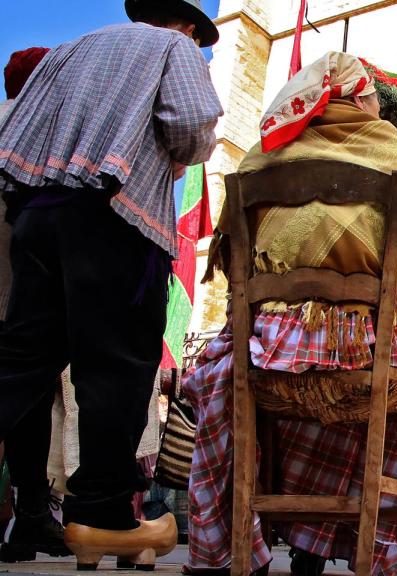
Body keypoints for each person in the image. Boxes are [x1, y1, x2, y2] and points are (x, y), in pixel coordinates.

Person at [185, 51, 397, 576]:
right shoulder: (394, 154)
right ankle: (339, 546)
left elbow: (236, 263)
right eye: (372, 95)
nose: (377, 104)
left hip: (269, 359)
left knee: (232, 375)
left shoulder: (265, 157)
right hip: (365, 356)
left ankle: (237, 546)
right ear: (358, 99)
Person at [0, 0, 221, 566]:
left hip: (38, 210)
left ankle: (83, 512)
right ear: (189, 26)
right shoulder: (175, 49)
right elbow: (193, 128)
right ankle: (101, 512)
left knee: (22, 359)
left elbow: (23, 124)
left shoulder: (73, 48)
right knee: (116, 367)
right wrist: (179, 155)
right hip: (113, 215)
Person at [0, 47, 69, 564]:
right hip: (17, 282)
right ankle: (29, 517)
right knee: (22, 389)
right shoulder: (35, 128)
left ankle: (33, 517)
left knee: (30, 396)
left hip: (21, 283)